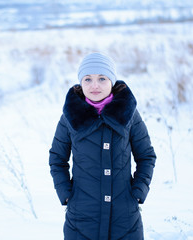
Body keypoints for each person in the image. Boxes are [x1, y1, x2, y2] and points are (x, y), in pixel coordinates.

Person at [49, 52, 156, 240]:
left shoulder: (129, 114)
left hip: (125, 218)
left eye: (102, 78)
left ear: (112, 82)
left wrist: (138, 191)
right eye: (88, 79)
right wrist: (66, 194)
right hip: (81, 217)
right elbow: (57, 159)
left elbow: (146, 155)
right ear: (81, 82)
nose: (95, 85)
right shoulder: (70, 117)